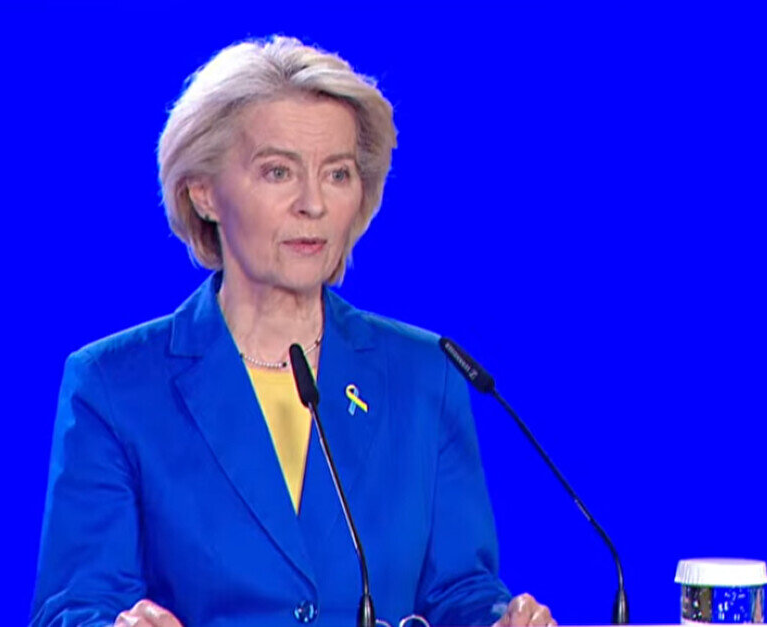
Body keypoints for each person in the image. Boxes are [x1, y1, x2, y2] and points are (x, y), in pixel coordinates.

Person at [30, 36, 556, 627]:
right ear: (203, 192)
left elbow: (459, 591)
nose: (313, 204)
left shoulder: (426, 374)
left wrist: (501, 621)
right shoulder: (113, 385)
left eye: (337, 174)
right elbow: (75, 606)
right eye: (278, 171)